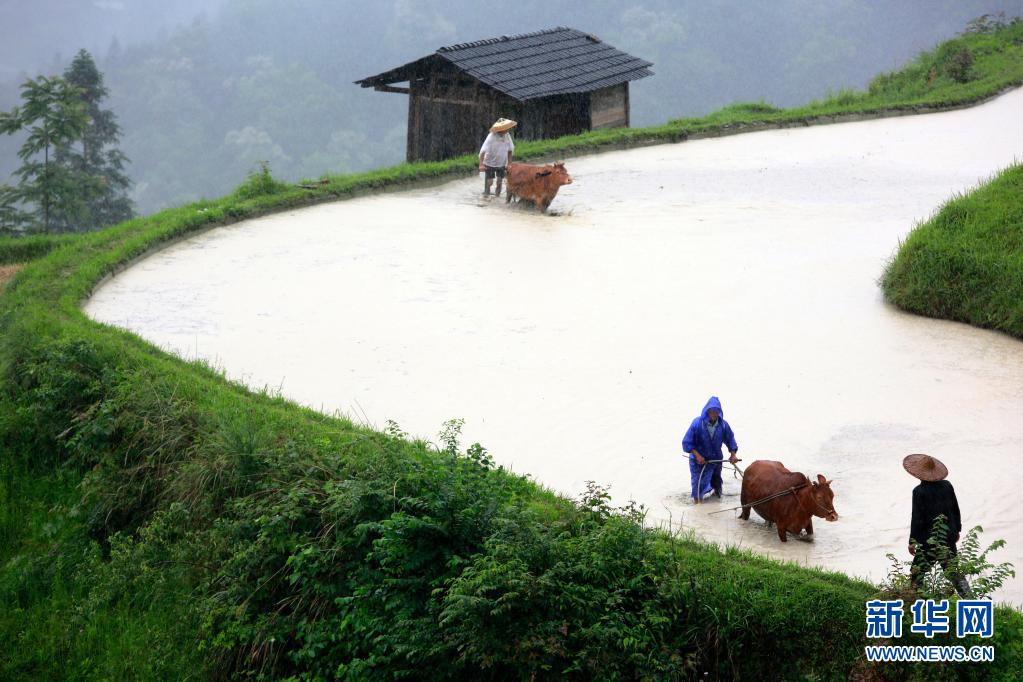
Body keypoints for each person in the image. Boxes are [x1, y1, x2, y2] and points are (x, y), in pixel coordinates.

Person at [903, 453, 972, 597]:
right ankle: (970, 599)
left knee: (918, 571)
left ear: (918, 474)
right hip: (948, 536)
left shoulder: (919, 491)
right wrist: (957, 528)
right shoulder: (947, 486)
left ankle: (914, 600)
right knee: (953, 570)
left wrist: (912, 542)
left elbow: (917, 518)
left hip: (927, 541)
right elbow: (954, 508)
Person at [682, 396, 738, 503]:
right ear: (707, 411)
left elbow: (730, 440)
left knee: (716, 483)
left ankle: (716, 502)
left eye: (717, 411)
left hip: (716, 460)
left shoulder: (724, 425)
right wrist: (697, 455)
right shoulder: (698, 424)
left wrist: (733, 454)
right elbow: (687, 442)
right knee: (697, 485)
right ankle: (698, 504)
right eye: (712, 411)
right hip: (698, 461)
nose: (714, 414)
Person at [479, 118, 516, 197]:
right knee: (489, 182)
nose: (508, 130)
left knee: (499, 182)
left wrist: (509, 164)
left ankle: (497, 198)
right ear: (501, 129)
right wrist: (481, 164)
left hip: (501, 163)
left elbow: (510, 150)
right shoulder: (491, 137)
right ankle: (486, 195)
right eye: (506, 128)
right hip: (490, 162)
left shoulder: (507, 136)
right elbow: (483, 151)